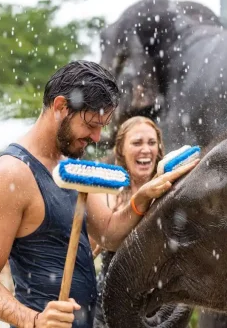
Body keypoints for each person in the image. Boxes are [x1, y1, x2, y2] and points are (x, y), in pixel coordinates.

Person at [0, 60, 198, 328]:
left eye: (102, 126)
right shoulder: (11, 174)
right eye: (91, 124)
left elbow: (109, 234)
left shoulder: (72, 165)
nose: (97, 137)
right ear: (61, 107)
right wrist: (35, 320)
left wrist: (141, 198)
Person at [86, 116, 165, 327]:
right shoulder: (107, 197)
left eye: (151, 142)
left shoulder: (170, 193)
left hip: (160, 308)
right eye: (137, 143)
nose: (146, 149)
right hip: (110, 307)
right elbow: (88, 252)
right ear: (120, 149)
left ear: (159, 147)